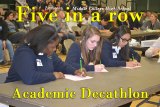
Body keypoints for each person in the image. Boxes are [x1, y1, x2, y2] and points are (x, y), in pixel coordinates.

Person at [5, 24, 86, 85]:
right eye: (52, 47)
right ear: (42, 43)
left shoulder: (48, 52)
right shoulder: (23, 53)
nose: (55, 49)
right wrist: (53, 75)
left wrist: (75, 71)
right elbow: (30, 78)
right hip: (13, 95)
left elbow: (61, 65)